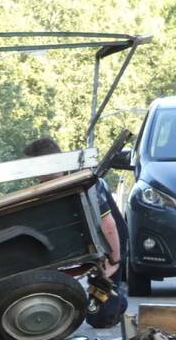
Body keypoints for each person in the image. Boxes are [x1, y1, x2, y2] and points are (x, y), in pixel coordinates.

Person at [23, 136, 128, 328]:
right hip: (87, 238)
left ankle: (119, 300)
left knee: (100, 319)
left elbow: (108, 224)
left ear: (49, 163)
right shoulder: (50, 184)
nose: (34, 174)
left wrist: (114, 260)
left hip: (110, 241)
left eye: (35, 168)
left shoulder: (85, 181)